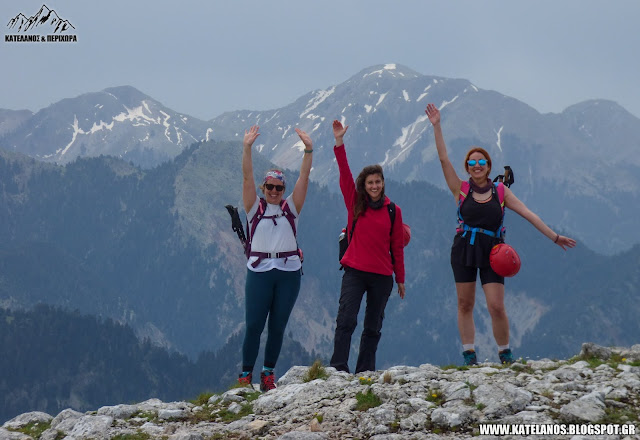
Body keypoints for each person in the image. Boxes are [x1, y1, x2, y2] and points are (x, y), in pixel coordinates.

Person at [425, 103, 577, 366]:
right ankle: (469, 354)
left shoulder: (500, 192)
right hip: (464, 248)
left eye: (481, 161)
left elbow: (529, 214)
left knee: (496, 306)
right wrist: (437, 126)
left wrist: (554, 236)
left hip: (494, 251)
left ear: (488, 165)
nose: (476, 165)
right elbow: (443, 159)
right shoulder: (460, 189)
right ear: (467, 167)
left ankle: (505, 353)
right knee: (465, 304)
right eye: (471, 162)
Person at [238, 125, 313, 391]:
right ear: (264, 187)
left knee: (278, 326)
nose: (273, 191)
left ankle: (267, 374)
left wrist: (308, 150)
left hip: (288, 273)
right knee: (254, 326)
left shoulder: (291, 208)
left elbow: (304, 177)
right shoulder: (253, 207)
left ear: (283, 189)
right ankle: (245, 375)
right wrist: (247, 148)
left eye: (278, 188)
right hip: (259, 272)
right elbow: (247, 178)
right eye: (269, 187)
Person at [330, 120, 406, 374]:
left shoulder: (394, 211)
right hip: (354, 271)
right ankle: (339, 368)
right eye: (370, 182)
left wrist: (400, 279)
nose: (374, 186)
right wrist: (339, 142)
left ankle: (365, 371)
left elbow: (397, 246)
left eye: (378, 182)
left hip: (382, 276)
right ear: (364, 185)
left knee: (373, 327)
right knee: (346, 321)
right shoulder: (354, 202)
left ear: (383, 183)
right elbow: (344, 172)